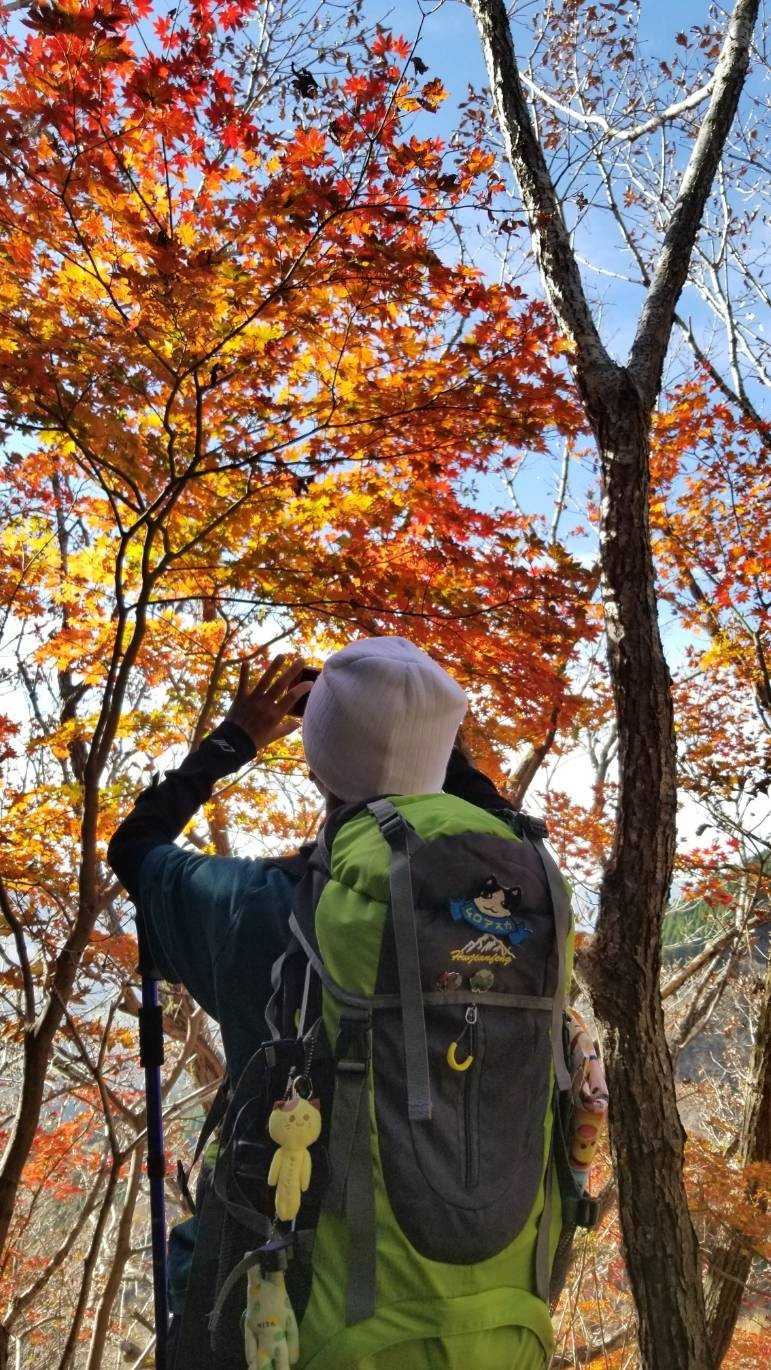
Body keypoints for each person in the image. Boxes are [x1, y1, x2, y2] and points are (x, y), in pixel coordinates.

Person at [108, 637, 511, 1088]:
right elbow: (503, 819)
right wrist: (411, 725)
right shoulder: (509, 898)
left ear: (316, 769)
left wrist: (232, 740)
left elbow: (133, 846)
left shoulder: (258, 902)